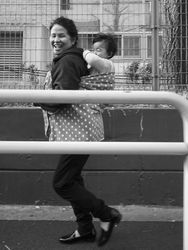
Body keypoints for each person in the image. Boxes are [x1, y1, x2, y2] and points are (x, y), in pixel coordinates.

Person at [40, 17, 121, 247]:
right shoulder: (68, 58)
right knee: (73, 178)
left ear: (73, 39)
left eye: (61, 35)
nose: (56, 39)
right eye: (53, 35)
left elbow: (62, 98)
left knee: (62, 183)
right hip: (77, 130)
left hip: (77, 133)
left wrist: (36, 100)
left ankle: (106, 214)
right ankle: (85, 228)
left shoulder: (68, 61)